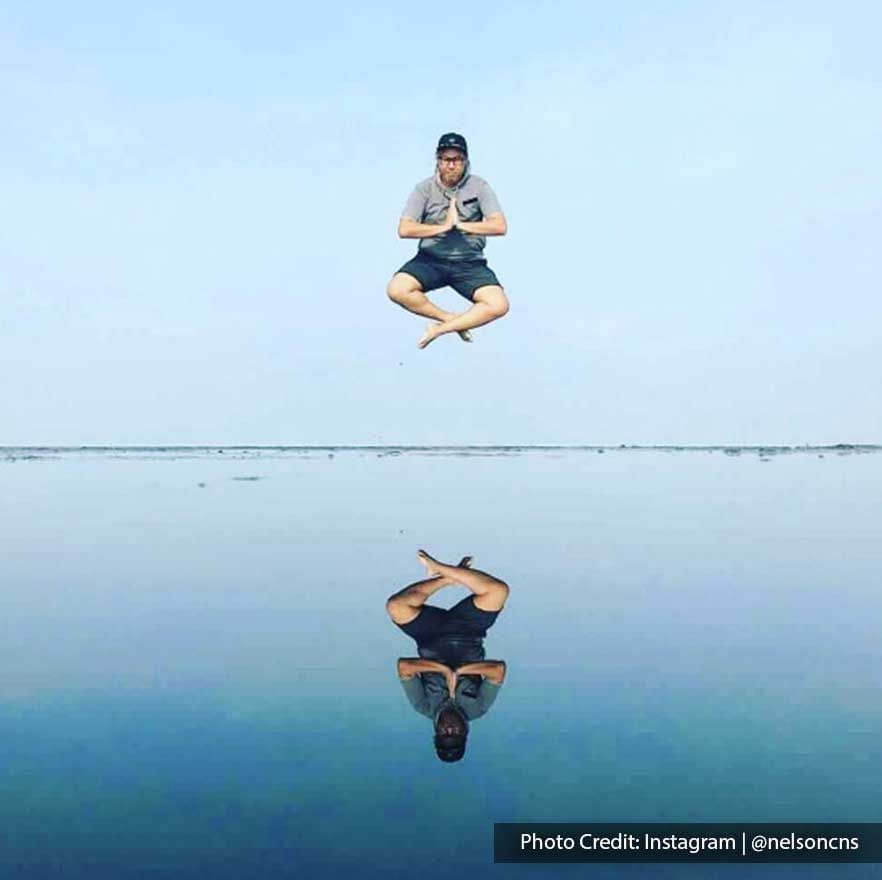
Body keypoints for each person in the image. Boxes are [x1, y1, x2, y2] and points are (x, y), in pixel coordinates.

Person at [387, 133, 510, 349]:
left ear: (465, 162)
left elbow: (499, 226)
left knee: (499, 305)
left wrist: (461, 225)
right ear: (438, 161)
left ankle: (441, 328)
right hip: (431, 259)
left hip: (469, 263)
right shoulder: (423, 189)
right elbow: (405, 229)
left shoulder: (479, 187)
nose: (451, 165)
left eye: (457, 160)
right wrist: (442, 227)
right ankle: (448, 318)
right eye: (446, 159)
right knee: (397, 289)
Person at [386, 550, 509, 762]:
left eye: (444, 734)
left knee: (395, 606)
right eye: (455, 734)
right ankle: (451, 572)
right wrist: (460, 671)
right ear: (465, 731)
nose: (450, 729)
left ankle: (445, 577)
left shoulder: (423, 706)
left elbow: (404, 667)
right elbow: (497, 671)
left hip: (428, 635)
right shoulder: (478, 708)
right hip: (469, 631)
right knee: (498, 591)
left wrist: (442, 669)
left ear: (436, 732)